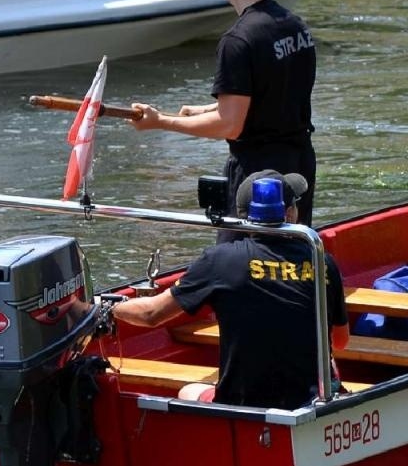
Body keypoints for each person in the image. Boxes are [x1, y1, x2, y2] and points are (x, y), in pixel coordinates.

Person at [106, 170, 350, 408]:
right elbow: (340, 341)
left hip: (243, 407)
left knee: (188, 391)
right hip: (312, 403)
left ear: (244, 217)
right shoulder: (322, 260)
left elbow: (151, 314)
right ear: (289, 213)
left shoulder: (220, 261)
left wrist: (105, 307)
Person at [131, 0, 318, 225]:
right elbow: (274, 92)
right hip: (299, 163)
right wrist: (206, 109)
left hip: (258, 177)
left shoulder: (238, 40)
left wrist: (161, 122)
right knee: (295, 244)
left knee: (246, 250)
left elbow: (230, 124)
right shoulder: (295, 26)